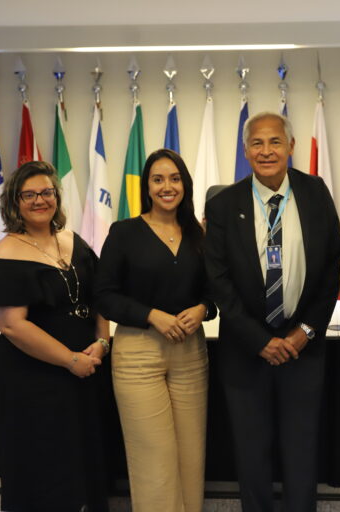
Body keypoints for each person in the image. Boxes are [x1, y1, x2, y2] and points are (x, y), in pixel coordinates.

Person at [204, 112, 340, 511]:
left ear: (291, 146)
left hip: (303, 349)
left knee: (301, 451)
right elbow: (219, 281)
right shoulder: (223, 205)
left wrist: (306, 331)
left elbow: (332, 267)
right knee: (251, 453)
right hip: (245, 351)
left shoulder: (315, 192)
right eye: (257, 143)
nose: (266, 151)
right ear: (246, 151)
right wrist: (260, 341)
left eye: (275, 142)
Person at [0, 161, 110, 512]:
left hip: (85, 370)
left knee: (82, 457)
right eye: (29, 195)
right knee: (44, 464)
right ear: (14, 203)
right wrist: (71, 360)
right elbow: (12, 326)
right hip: (34, 378)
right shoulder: (6, 254)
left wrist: (102, 341)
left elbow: (100, 295)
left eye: (47, 192)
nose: (40, 200)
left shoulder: (73, 240)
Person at [94, 148, 217, 512]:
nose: (167, 187)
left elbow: (214, 292)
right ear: (147, 187)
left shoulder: (199, 235)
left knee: (191, 457)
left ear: (185, 184)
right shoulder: (124, 232)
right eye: (158, 179)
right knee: (154, 461)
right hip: (138, 354)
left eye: (175, 179)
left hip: (190, 354)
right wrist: (151, 315)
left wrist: (203, 309)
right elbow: (104, 296)